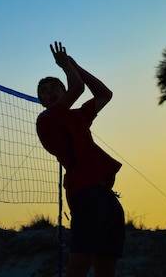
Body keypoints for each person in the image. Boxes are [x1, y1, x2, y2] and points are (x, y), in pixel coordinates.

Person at [36, 41, 124, 277]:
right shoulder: (46, 121)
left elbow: (105, 94)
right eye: (44, 91)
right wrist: (66, 66)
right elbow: (77, 88)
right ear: (42, 102)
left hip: (106, 194)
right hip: (83, 192)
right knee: (80, 261)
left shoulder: (78, 116)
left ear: (62, 93)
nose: (49, 92)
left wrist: (74, 65)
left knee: (107, 262)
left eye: (54, 87)